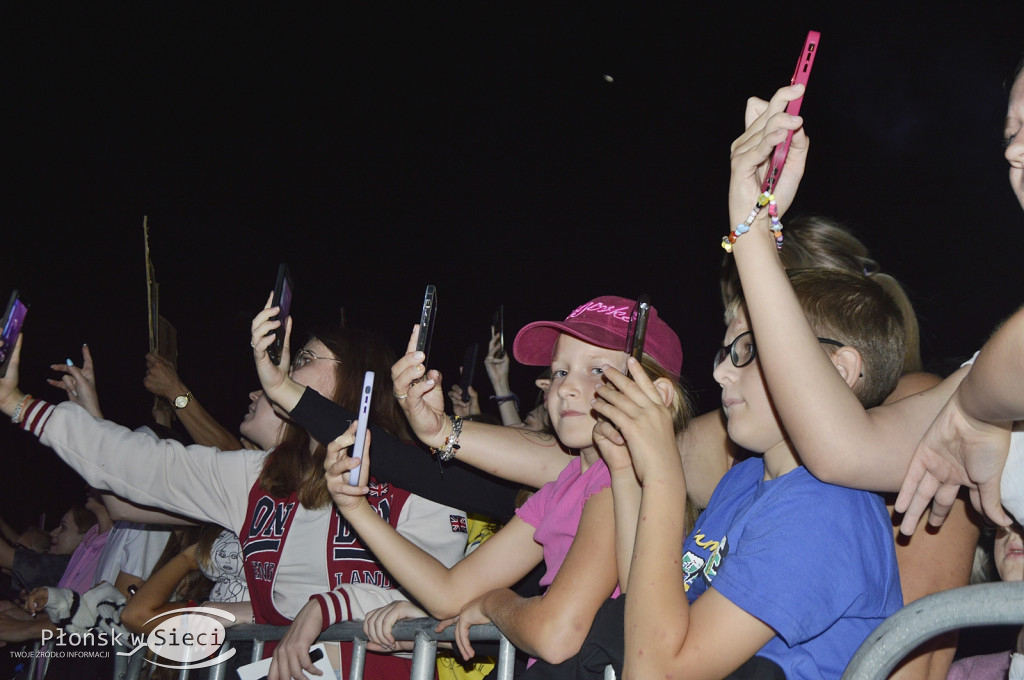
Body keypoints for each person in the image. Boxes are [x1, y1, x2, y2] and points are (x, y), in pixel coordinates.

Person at [0, 318, 467, 680]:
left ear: (357, 379)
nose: (282, 368)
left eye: (304, 357)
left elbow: (444, 591)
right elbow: (143, 465)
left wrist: (328, 607)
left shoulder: (421, 475)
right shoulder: (258, 478)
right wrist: (21, 406)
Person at [309, 296, 691, 667]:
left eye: (597, 370)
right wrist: (355, 507)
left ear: (656, 394)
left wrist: (494, 603)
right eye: (560, 371)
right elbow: (450, 593)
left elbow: (556, 634)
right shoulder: (565, 486)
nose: (566, 387)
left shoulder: (617, 482)